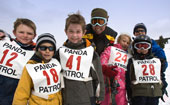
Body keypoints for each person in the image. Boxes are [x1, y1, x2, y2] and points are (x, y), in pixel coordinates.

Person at [55, 13, 105, 105]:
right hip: (67, 96)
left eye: (78, 32)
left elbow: (98, 74)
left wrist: (100, 94)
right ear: (65, 31)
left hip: (86, 96)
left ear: (84, 32)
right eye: (71, 31)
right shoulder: (60, 51)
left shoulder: (90, 52)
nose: (74, 35)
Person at [12, 33, 62, 105]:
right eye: (43, 48)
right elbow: (22, 92)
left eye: (51, 48)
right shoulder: (31, 67)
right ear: (37, 49)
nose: (47, 51)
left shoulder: (56, 63)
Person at [0, 18, 36, 105]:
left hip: (12, 90)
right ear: (14, 32)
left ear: (34, 36)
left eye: (29, 33)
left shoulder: (34, 52)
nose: (25, 35)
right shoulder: (4, 40)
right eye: (21, 32)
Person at [126, 35, 167, 105]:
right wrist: (129, 93)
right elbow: (128, 78)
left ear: (150, 47)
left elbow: (161, 75)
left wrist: (163, 86)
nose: (142, 49)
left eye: (145, 46)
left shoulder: (156, 60)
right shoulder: (132, 61)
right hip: (138, 94)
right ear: (134, 48)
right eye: (138, 46)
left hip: (154, 94)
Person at [132, 23, 168, 101]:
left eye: (142, 30)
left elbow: (163, 66)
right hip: (138, 85)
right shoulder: (132, 46)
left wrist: (162, 65)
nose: (140, 32)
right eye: (137, 31)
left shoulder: (154, 46)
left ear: (145, 32)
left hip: (152, 81)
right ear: (134, 33)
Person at [100, 34, 131, 105]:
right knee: (106, 101)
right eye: (124, 41)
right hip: (108, 82)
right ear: (119, 40)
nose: (125, 44)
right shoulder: (110, 48)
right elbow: (104, 58)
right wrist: (104, 68)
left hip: (122, 86)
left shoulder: (128, 56)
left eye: (128, 43)